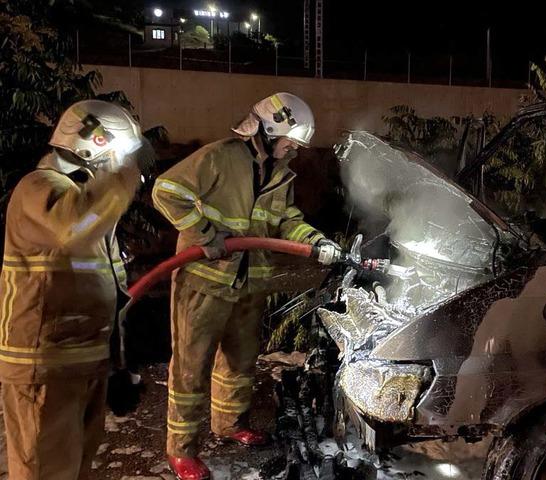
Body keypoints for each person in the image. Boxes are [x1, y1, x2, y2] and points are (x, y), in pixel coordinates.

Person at [151, 92, 338, 480]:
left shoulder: (282, 173)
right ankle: (182, 451)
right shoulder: (218, 157)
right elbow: (167, 191)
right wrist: (204, 233)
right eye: (291, 141)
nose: (294, 150)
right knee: (191, 368)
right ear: (269, 130)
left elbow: (286, 220)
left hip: (250, 283)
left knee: (240, 361)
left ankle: (230, 423)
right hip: (204, 283)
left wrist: (316, 241)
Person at [0, 100, 144, 479]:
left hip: (85, 363)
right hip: (45, 367)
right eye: (118, 153)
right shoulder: (38, 189)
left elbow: (113, 292)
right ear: (90, 144)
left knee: (77, 469)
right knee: (46, 471)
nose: (122, 164)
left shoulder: (86, 206)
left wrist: (118, 366)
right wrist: (120, 180)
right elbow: (72, 229)